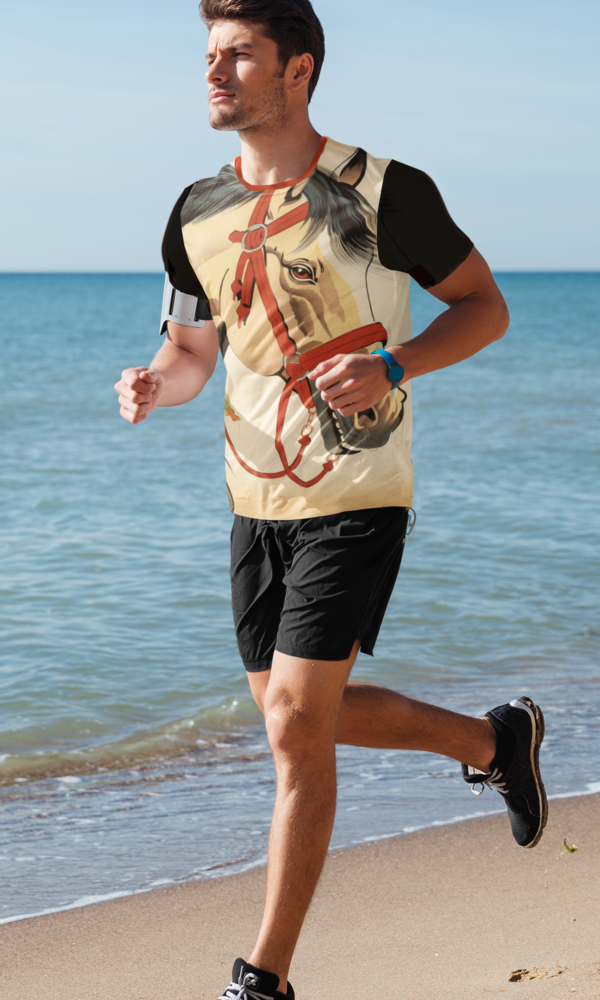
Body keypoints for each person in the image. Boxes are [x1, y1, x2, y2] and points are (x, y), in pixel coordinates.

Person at [114, 2, 547, 997]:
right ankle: (495, 741)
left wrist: (394, 364)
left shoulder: (384, 192)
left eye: (238, 55)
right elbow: (188, 354)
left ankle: (261, 978)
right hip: (253, 496)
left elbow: (485, 306)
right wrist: (151, 384)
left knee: (291, 732)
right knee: (292, 713)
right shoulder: (195, 212)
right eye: (209, 56)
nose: (215, 73)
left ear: (297, 69)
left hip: (358, 490)